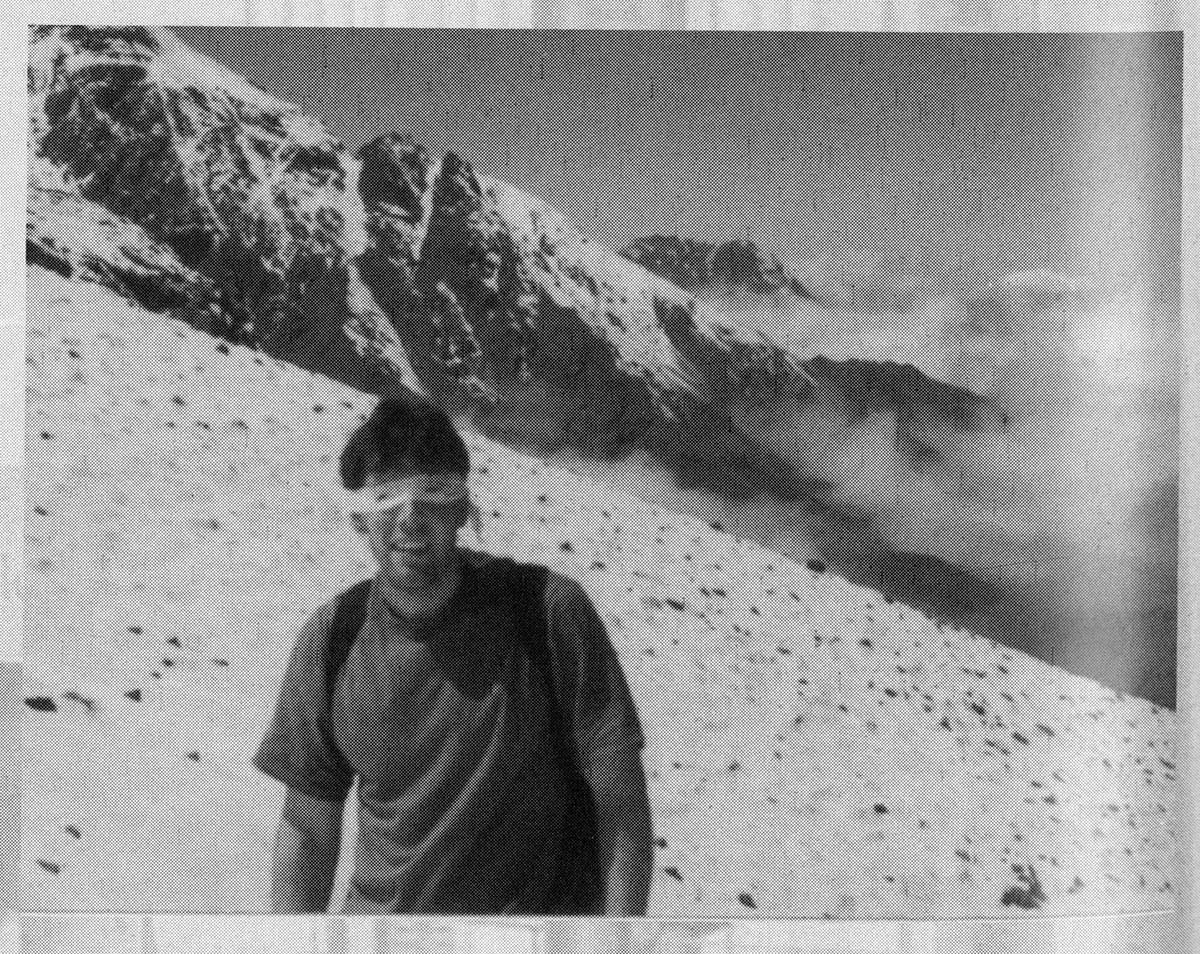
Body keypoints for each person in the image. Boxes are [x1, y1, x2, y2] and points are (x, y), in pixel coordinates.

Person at [253, 397, 653, 914]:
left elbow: (619, 802)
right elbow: (308, 828)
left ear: (463, 507)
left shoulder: (546, 614)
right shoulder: (332, 641)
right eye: (386, 495)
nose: (410, 517)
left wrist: (619, 944)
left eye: (433, 491)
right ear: (358, 517)